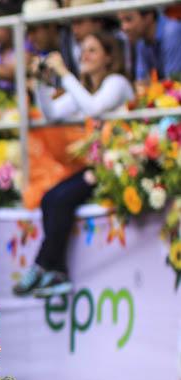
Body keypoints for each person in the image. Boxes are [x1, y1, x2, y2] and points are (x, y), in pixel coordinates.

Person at [14, 31, 134, 298]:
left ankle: (42, 265)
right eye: (82, 50)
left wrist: (64, 74)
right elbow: (52, 113)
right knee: (50, 199)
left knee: (64, 198)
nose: (84, 55)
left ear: (109, 57)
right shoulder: (85, 89)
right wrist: (44, 82)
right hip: (98, 167)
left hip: (120, 166)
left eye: (92, 50)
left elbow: (92, 108)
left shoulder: (117, 83)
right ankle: (58, 273)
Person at [116, 8, 181, 84]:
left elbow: (173, 82)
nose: (124, 27)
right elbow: (141, 82)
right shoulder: (141, 40)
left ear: (148, 16)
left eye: (128, 20)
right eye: (121, 21)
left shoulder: (171, 32)